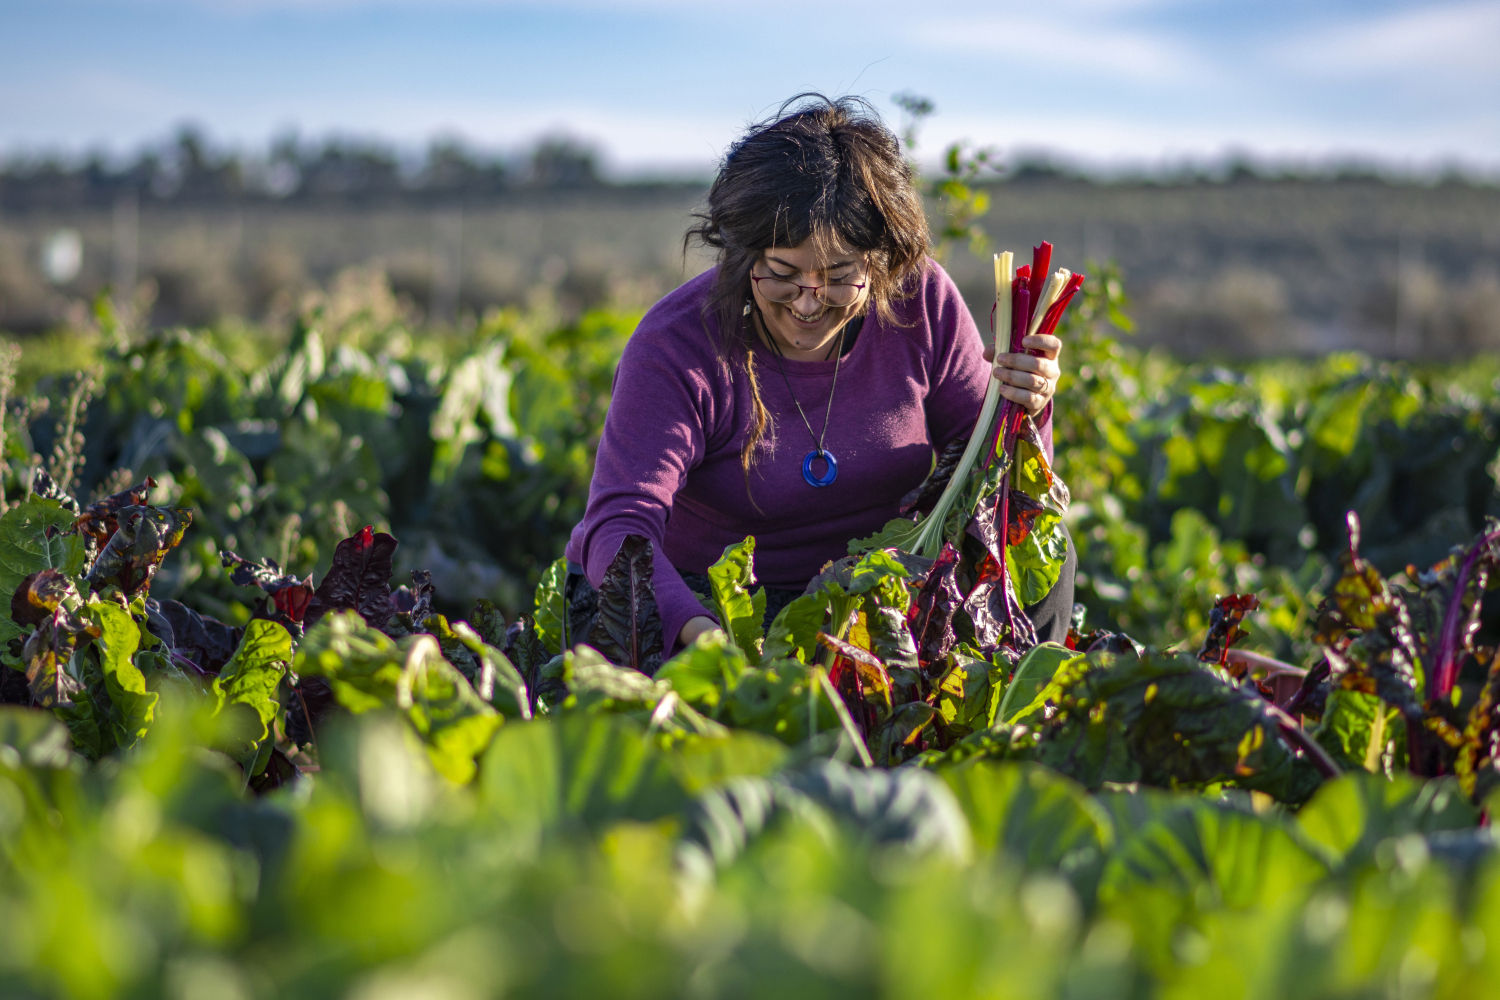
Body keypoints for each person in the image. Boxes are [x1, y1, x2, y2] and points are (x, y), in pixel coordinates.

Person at [564, 93, 1074, 657]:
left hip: (868, 603)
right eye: (782, 273)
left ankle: (1017, 734)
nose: (809, 304)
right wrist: (706, 639)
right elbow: (621, 525)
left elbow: (999, 492)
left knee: (1044, 552)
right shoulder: (676, 343)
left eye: (838, 278)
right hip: (699, 603)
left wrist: (1029, 409)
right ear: (741, 256)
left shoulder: (922, 302)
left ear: (882, 263)